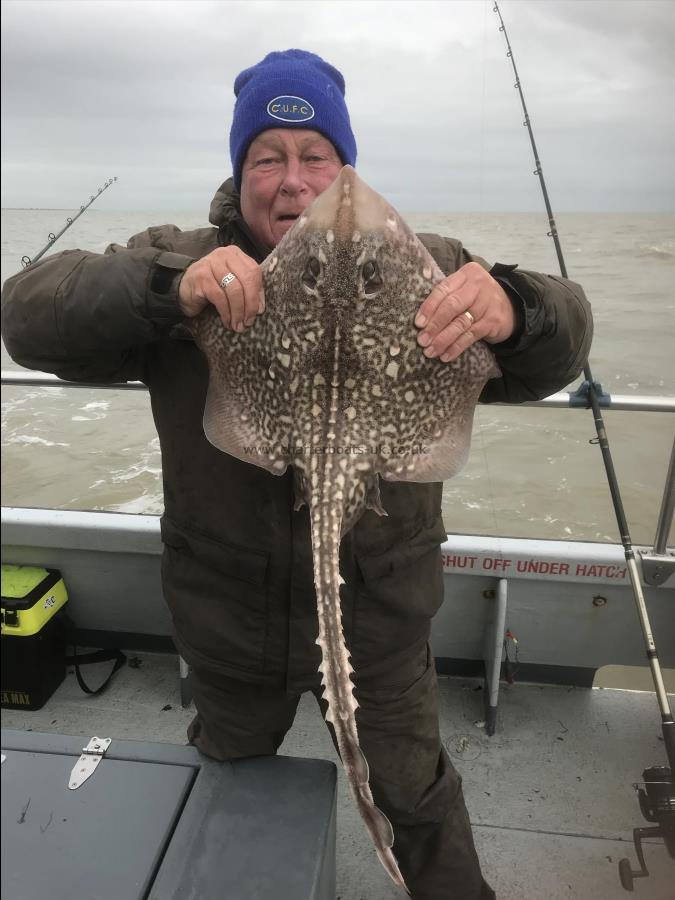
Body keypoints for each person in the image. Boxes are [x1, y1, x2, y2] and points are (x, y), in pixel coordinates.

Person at [1, 49, 592, 900]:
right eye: (266, 157)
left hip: (381, 612)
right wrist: (172, 288)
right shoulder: (184, 265)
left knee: (415, 793)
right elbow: (28, 313)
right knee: (228, 778)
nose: (293, 180)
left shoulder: (426, 262)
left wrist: (517, 306)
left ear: (345, 166)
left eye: (316, 155)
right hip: (227, 618)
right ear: (238, 171)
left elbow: (557, 347)